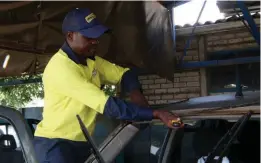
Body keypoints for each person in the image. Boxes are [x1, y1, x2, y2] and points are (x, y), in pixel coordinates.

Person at [33, 8, 182, 163]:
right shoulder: (61, 68)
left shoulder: (91, 61)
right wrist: (155, 113)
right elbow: (107, 105)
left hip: (81, 143)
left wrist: (135, 93)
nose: (95, 41)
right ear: (70, 36)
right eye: (89, 37)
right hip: (56, 145)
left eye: (97, 36)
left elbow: (125, 73)